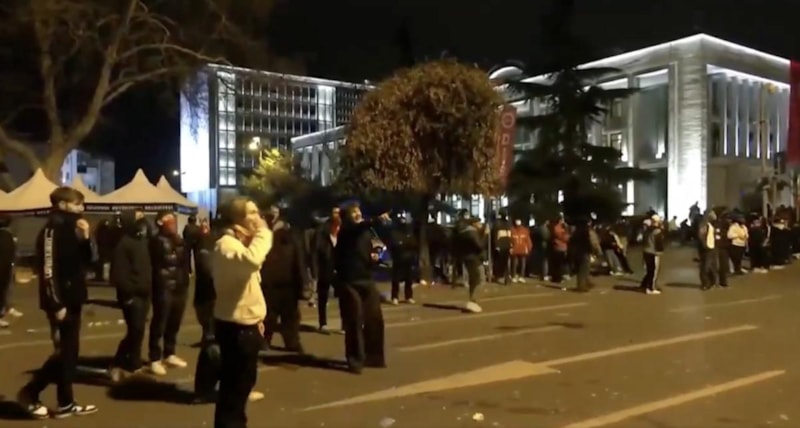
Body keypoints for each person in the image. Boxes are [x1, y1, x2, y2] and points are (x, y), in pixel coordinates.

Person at [17, 187, 97, 419]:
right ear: (62, 204)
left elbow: (87, 262)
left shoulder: (72, 229)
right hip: (60, 301)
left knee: (70, 354)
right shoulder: (51, 231)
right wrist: (55, 304)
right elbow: (48, 270)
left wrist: (86, 238)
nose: (81, 208)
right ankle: (30, 393)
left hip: (74, 297)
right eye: (77, 204)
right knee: (64, 353)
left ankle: (66, 402)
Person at [211, 197, 272, 428]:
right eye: (251, 213)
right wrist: (264, 233)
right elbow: (252, 261)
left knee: (240, 388)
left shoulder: (236, 244)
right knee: (234, 392)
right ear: (237, 218)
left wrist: (256, 319)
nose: (258, 218)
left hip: (245, 326)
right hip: (236, 329)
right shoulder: (227, 245)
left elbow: (247, 285)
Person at [335, 203, 388, 374]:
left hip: (366, 279)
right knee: (354, 320)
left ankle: (374, 357)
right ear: (346, 217)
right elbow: (357, 229)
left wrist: (374, 257)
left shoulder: (365, 232)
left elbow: (369, 248)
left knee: (375, 319)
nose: (358, 214)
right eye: (354, 213)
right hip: (349, 281)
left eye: (359, 211)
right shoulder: (347, 231)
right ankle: (355, 359)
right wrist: (376, 220)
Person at [109, 210, 152, 382]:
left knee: (139, 331)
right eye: (139, 219)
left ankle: (134, 363)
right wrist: (128, 294)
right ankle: (118, 363)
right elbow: (118, 274)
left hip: (144, 294)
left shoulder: (142, 241)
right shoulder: (124, 244)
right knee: (134, 330)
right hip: (132, 296)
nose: (142, 222)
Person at [148, 210, 191, 375]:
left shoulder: (179, 240)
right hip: (164, 286)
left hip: (180, 285)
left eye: (174, 221)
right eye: (169, 221)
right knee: (160, 322)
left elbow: (184, 262)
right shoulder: (155, 241)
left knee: (175, 321)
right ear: (160, 223)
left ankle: (169, 353)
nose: (173, 224)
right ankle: (154, 358)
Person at [261, 219, 308, 353]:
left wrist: (303, 282)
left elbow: (299, 262)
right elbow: (299, 262)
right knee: (274, 316)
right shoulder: (264, 239)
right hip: (275, 283)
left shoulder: (290, 237)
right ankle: (274, 340)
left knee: (287, 316)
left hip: (284, 284)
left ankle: (288, 341)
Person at [310, 206, 342, 334]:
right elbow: (315, 251)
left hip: (340, 268)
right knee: (323, 297)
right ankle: (323, 323)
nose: (337, 215)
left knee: (345, 297)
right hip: (325, 267)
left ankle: (345, 324)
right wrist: (315, 270)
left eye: (339, 212)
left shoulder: (344, 228)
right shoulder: (322, 230)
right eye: (335, 212)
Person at [389, 213, 417, 304]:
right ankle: (394, 297)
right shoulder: (395, 232)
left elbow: (413, 243)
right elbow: (395, 244)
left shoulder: (409, 232)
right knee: (396, 279)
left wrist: (405, 244)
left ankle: (408, 296)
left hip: (408, 257)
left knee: (409, 278)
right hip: (398, 258)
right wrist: (403, 244)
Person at [0, 214, 21, 328]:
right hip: (4, 268)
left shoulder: (7, 235)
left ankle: (5, 308)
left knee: (6, 290)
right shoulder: (5, 236)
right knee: (3, 290)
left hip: (7, 267)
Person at [640, 215, 665, 295]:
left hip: (646, 251)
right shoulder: (657, 231)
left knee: (649, 270)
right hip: (653, 252)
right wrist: (660, 252)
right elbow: (659, 243)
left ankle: (645, 285)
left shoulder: (647, 230)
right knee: (653, 271)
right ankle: (650, 288)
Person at [696, 210, 719, 290]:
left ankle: (712, 282)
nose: (714, 216)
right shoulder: (704, 224)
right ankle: (705, 283)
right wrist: (705, 246)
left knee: (712, 266)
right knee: (705, 266)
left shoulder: (711, 224)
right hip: (707, 248)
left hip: (712, 247)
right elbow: (701, 236)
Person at [491, 212, 512, 284]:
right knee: (505, 263)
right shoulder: (508, 224)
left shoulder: (497, 223)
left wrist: (497, 245)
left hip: (501, 246)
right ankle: (506, 277)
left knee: (499, 262)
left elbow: (495, 235)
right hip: (506, 245)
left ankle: (501, 276)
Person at [509, 218, 532, 283]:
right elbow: (528, 240)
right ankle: (519, 276)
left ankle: (515, 276)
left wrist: (529, 248)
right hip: (520, 249)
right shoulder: (524, 230)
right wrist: (529, 248)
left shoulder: (512, 230)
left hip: (517, 249)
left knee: (516, 263)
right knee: (520, 263)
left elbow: (528, 240)